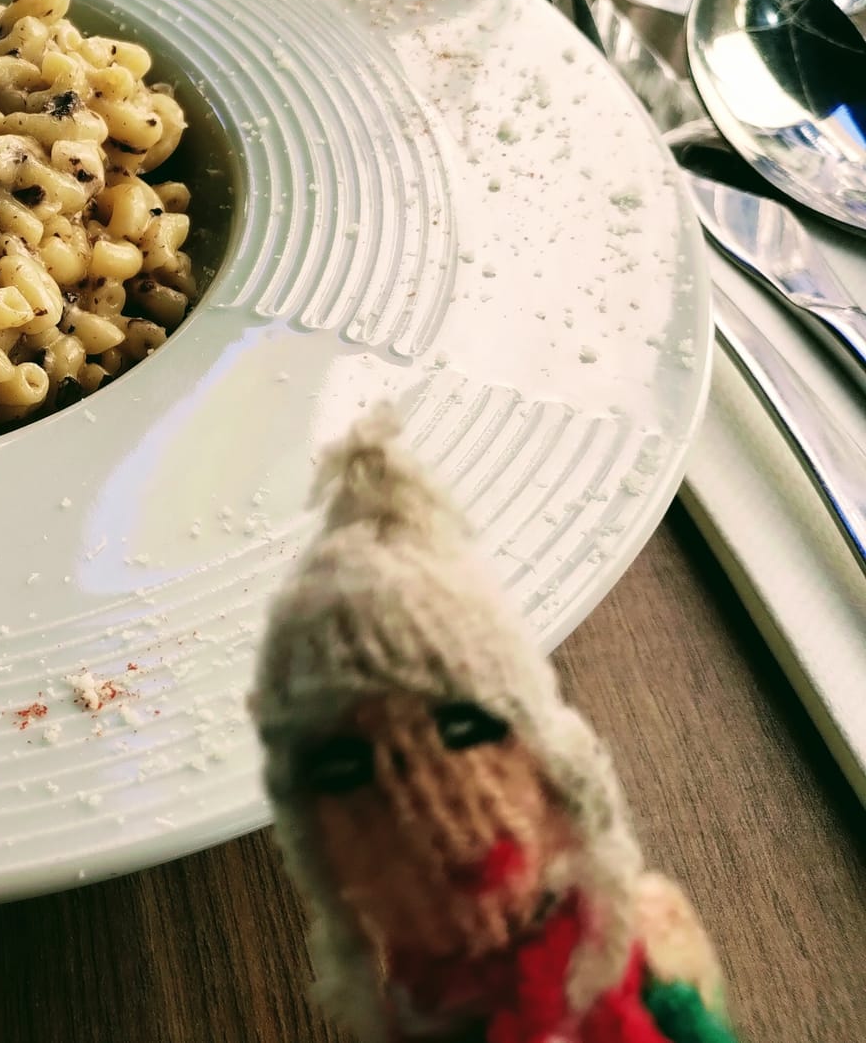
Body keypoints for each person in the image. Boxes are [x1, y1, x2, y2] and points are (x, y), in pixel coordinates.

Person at [250, 408, 737, 1043]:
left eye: (466, 729)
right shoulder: (422, 1002)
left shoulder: (618, 961)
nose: (437, 818)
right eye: (348, 772)